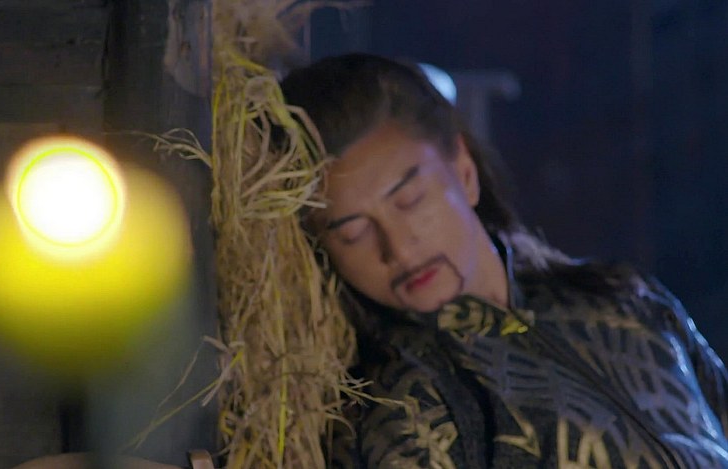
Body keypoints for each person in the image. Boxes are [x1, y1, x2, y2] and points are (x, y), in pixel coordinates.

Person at [280, 53, 728, 468]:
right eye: (354, 233)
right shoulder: (406, 410)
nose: (399, 249)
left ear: (465, 171)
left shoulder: (627, 303)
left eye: (411, 200)